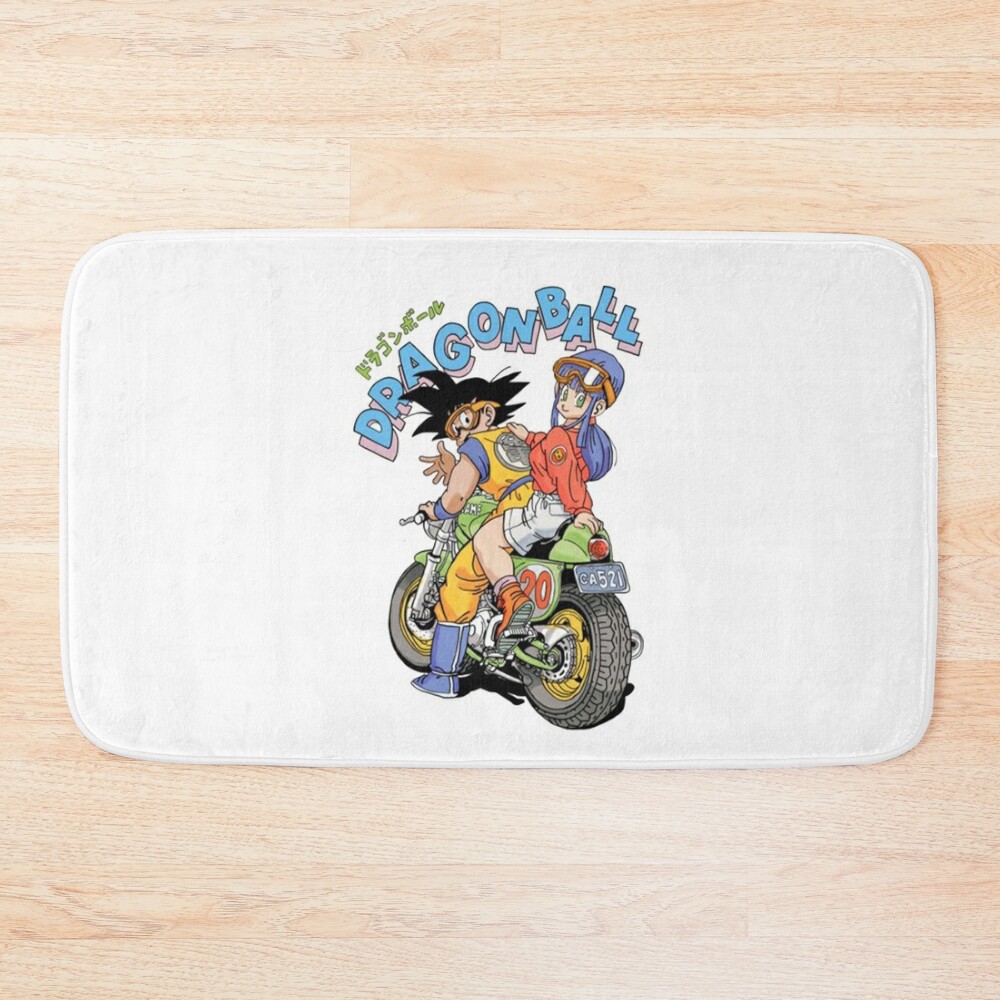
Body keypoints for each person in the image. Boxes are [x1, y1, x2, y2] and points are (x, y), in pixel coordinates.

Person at [401, 370, 536, 697]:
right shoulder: (518, 437)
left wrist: (436, 510)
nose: (460, 434)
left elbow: (457, 497)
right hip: (547, 508)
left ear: (487, 413)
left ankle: (443, 677)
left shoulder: (477, 446)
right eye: (454, 432)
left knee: (460, 581)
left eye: (463, 420)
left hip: (514, 511)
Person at [471, 349, 624, 607]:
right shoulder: (586, 438)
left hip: (546, 511)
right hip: (562, 512)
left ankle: (512, 600)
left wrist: (581, 509)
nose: (565, 402)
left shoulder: (559, 437)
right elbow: (558, 453)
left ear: (597, 406)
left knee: (485, 540)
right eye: (564, 394)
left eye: (578, 397)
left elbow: (567, 474)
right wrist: (528, 437)